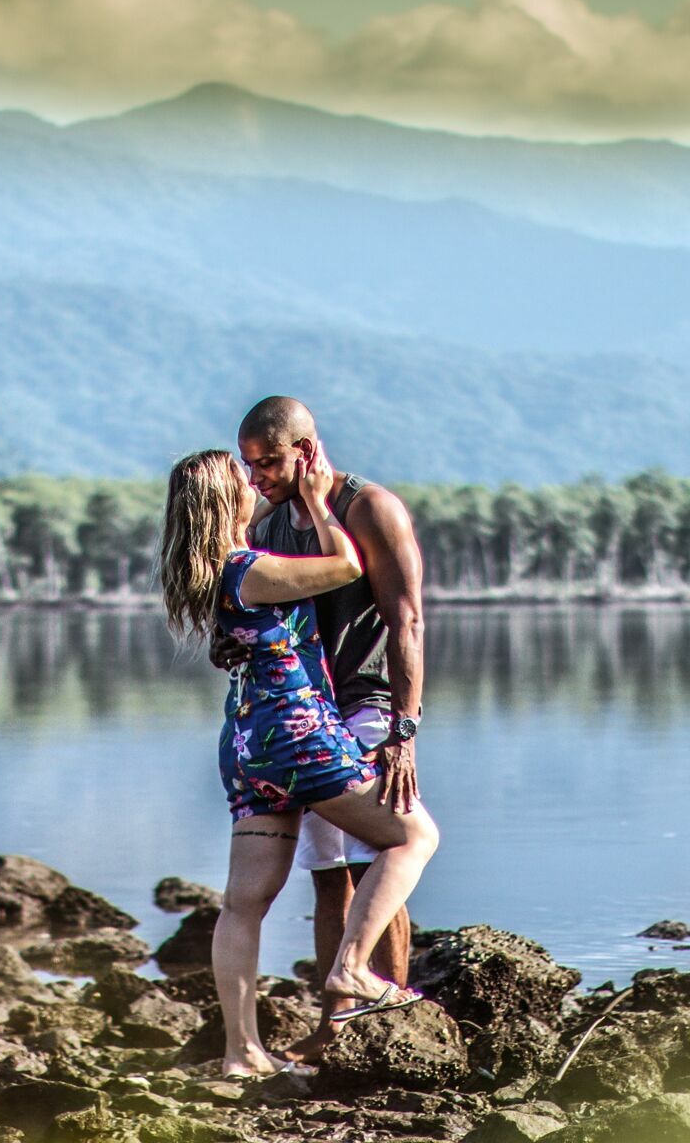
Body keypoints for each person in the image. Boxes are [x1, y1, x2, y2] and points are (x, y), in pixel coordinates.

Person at [161, 447, 440, 1081]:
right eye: (242, 479)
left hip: (246, 743)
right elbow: (346, 566)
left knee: (243, 903)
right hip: (299, 735)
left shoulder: (214, 570)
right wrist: (317, 502)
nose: (253, 482)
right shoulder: (251, 565)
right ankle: (350, 970)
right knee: (412, 836)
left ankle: (241, 1052)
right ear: (223, 502)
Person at [213, 396, 426, 1064]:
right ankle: (337, 1023)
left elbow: (407, 620)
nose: (258, 479)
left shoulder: (370, 509)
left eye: (269, 463)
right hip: (306, 713)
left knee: (377, 858)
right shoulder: (274, 525)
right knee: (327, 874)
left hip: (364, 704)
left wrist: (403, 727)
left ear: (306, 449)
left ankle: (383, 1010)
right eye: (249, 467)